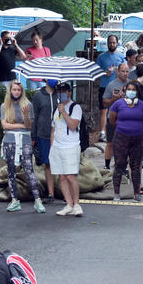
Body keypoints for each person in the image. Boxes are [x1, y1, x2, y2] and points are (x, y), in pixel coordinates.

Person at [0, 80, 45, 213]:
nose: (16, 92)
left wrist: (25, 116)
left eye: (19, 90)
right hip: (9, 140)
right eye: (14, 89)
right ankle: (14, 200)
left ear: (22, 91)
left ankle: (37, 201)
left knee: (28, 169)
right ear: (10, 90)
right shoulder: (4, 106)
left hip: (24, 140)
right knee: (11, 170)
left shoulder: (27, 105)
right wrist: (20, 126)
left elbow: (29, 125)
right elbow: (4, 125)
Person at [108, 80, 143, 202]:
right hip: (121, 138)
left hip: (138, 138)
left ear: (137, 92)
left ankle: (137, 193)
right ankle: (116, 193)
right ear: (125, 90)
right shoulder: (117, 104)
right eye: (129, 89)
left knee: (136, 166)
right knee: (120, 164)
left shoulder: (142, 105)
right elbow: (112, 121)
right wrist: (124, 127)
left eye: (134, 89)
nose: (131, 91)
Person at [51, 82, 83, 217]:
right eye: (60, 91)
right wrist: (52, 147)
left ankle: (76, 204)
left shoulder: (75, 107)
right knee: (62, 177)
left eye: (64, 91)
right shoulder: (55, 109)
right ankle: (69, 204)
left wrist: (64, 111)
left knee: (70, 176)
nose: (62, 93)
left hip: (71, 146)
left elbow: (73, 126)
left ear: (70, 93)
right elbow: (53, 129)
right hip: (57, 147)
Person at [31, 79, 59, 203]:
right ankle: (50, 193)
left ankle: (64, 191)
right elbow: (34, 116)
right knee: (48, 163)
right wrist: (33, 136)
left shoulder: (60, 94)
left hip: (60, 135)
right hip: (43, 134)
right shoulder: (38, 95)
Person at [96, 35, 126, 143]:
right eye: (110, 42)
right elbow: (96, 70)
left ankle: (118, 131)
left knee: (117, 110)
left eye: (114, 42)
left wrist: (119, 72)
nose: (112, 44)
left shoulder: (121, 56)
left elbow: (125, 70)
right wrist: (105, 73)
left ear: (117, 43)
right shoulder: (101, 57)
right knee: (103, 111)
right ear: (107, 43)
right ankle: (102, 133)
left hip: (117, 87)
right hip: (104, 86)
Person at [102, 63, 131, 170]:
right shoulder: (111, 85)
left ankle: (124, 167)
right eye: (122, 71)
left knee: (126, 144)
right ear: (118, 72)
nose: (125, 73)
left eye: (127, 71)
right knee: (110, 142)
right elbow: (104, 102)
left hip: (127, 119)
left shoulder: (132, 85)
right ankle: (107, 165)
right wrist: (114, 99)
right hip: (113, 117)